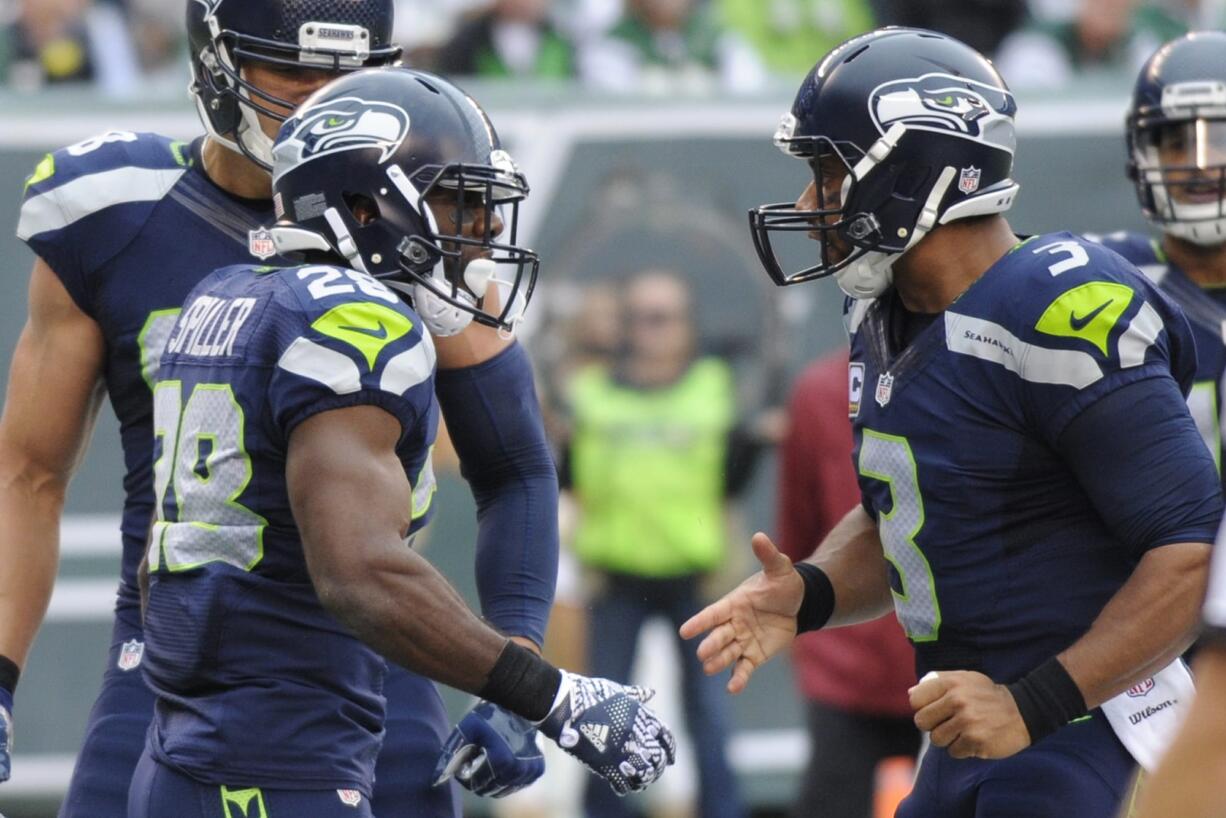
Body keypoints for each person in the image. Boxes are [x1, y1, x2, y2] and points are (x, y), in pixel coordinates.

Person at [4, 1, 560, 815]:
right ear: (217, 63)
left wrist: (517, 665)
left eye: (348, 73)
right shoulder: (112, 209)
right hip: (172, 654)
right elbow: (29, 473)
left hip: (374, 655)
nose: (321, 98)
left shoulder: (410, 214)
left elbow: (513, 466)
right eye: (290, 69)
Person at [681, 26, 1224, 818]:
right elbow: (913, 514)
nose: (809, 203)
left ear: (916, 170)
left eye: (830, 173)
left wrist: (1033, 703)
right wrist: (816, 591)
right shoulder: (881, 310)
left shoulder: (1056, 305)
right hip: (968, 725)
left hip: (1086, 725)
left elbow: (1191, 550)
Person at [126, 65, 675, 817]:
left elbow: (513, 468)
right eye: (457, 203)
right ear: (361, 204)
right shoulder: (356, 321)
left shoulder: (222, 294)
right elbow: (360, 574)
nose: (478, 233)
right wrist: (553, 697)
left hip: (186, 745)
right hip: (281, 758)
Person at [561, 270, 752, 818]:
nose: (650, 331)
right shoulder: (589, 394)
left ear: (687, 327)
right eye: (639, 318)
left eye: (663, 318)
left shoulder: (715, 386)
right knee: (602, 717)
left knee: (710, 714)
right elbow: (569, 476)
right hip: (614, 577)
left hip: (698, 581)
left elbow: (733, 480)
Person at [777, 350, 919, 818]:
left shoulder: (971, 373)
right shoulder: (818, 392)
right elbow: (799, 526)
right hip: (847, 666)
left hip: (955, 664)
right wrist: (801, 617)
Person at [1087, 31, 1226, 475]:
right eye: (1177, 141)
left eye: (1219, 136)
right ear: (1144, 156)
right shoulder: (1102, 281)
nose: (1201, 162)